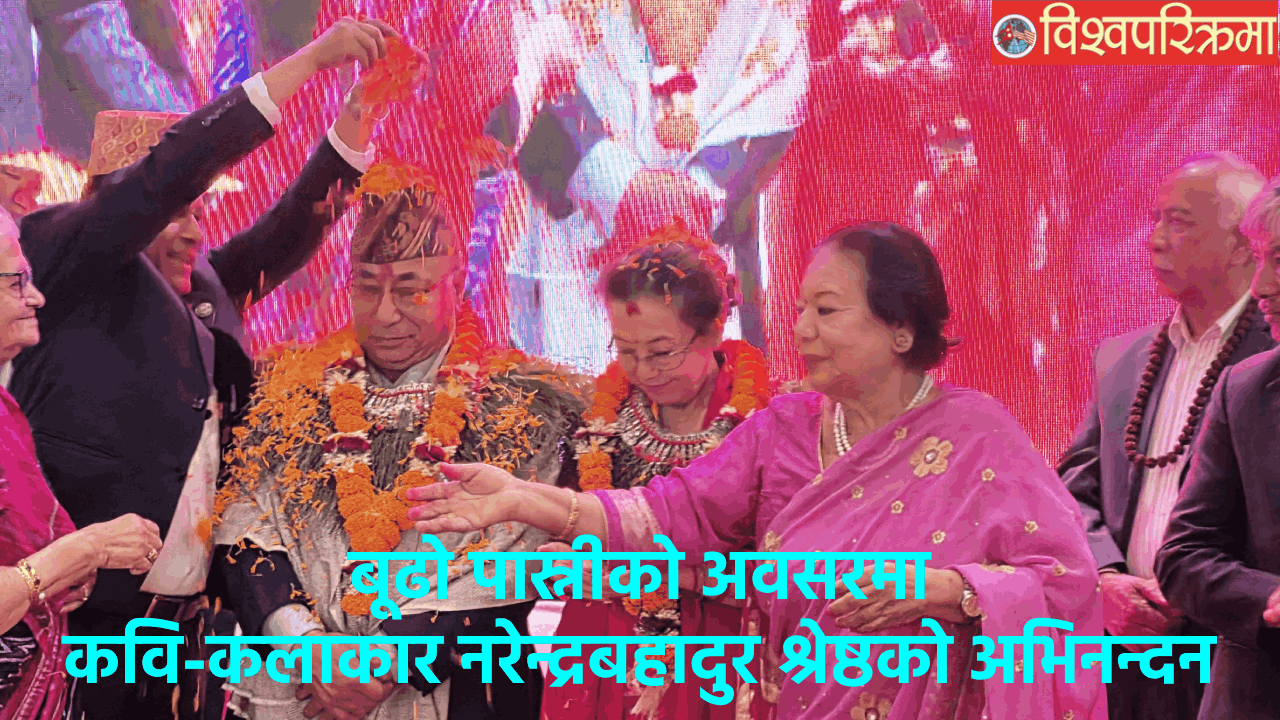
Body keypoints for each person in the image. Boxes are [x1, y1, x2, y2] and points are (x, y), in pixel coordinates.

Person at [409, 222, 1106, 720]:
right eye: (800, 308)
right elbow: (670, 514)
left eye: (826, 311)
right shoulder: (787, 427)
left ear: (900, 328)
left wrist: (951, 590)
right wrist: (521, 499)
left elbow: (1065, 584)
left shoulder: (978, 435)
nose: (800, 329)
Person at [8, 16, 402, 720]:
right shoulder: (63, 262)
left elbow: (291, 229)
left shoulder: (206, 286)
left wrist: (359, 115)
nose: (194, 229)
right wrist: (311, 58)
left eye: (199, 211)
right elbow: (164, 177)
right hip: (83, 628)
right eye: (177, 211)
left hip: (191, 636)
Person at [211, 158, 586, 720]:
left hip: (459, 692)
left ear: (456, 282)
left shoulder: (528, 406)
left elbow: (511, 565)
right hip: (299, 686)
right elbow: (246, 535)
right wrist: (304, 647)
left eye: (412, 290)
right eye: (367, 288)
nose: (385, 315)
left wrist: (382, 662)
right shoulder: (287, 393)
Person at [1058, 152, 1275, 720]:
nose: (1155, 240)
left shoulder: (1269, 364)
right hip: (1126, 643)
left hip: (1241, 650)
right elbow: (1074, 489)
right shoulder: (1123, 358)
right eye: (1155, 220)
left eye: (1179, 223)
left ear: (1242, 246)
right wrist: (1104, 577)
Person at [490, 0, 808, 373]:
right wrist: (616, 182)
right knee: (586, 385)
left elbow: (777, 85)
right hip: (586, 220)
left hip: (710, 216)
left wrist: (697, 189)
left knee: (708, 371)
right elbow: (521, 66)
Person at [540, 219, 769, 720]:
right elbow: (564, 536)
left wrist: (665, 575)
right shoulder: (598, 422)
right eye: (626, 351)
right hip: (600, 655)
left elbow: (787, 575)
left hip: (716, 661)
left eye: (662, 353)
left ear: (714, 329)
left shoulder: (766, 425)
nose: (644, 371)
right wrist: (560, 564)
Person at [0, 205, 163, 720]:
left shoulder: (6, 412)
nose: (37, 297)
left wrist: (67, 570)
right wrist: (84, 550)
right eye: (16, 282)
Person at [1154, 175, 1280, 720]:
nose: (1260, 286)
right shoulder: (1245, 390)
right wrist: (1268, 598)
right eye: (1259, 259)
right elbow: (1183, 557)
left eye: (1279, 260)